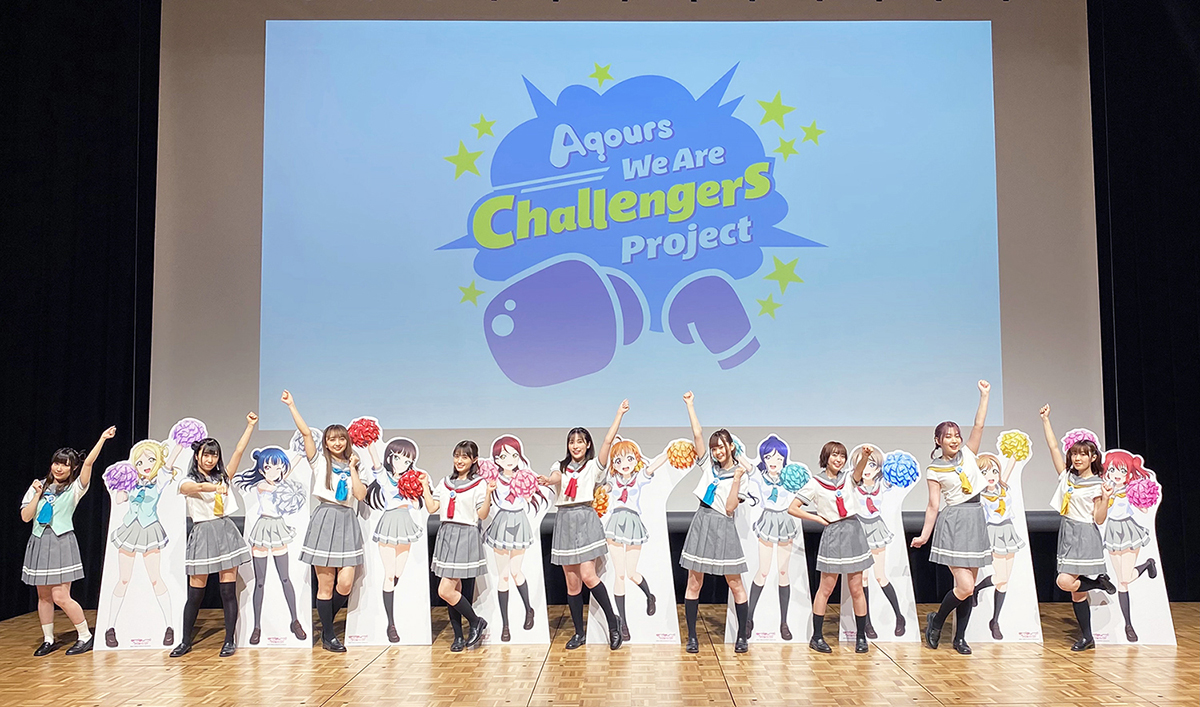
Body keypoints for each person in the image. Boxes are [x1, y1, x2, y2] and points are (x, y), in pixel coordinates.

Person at [536, 402, 628, 650]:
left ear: (587, 444)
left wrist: (619, 414)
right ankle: (579, 633)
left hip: (586, 519)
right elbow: (556, 477)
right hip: (565, 520)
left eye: (580, 441)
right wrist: (548, 480)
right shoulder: (560, 466)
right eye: (571, 442)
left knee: (588, 576)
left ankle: (613, 623)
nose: (575, 445)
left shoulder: (594, 466)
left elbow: (607, 442)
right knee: (572, 583)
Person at [911, 381, 992, 655]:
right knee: (965, 586)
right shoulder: (934, 469)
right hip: (954, 523)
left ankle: (959, 638)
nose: (955, 440)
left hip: (975, 519)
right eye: (948, 436)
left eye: (957, 435)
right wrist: (924, 535)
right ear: (938, 441)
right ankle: (937, 621)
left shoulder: (968, 454)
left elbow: (979, 425)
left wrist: (984, 395)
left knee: (969, 588)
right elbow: (933, 505)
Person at [284, 390, 367, 652]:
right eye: (332, 439)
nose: (337, 442)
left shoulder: (356, 464)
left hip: (347, 521)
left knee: (346, 583)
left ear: (347, 441)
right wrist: (292, 405)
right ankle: (329, 636)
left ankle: (326, 625)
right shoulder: (319, 462)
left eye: (341, 438)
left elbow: (360, 494)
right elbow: (306, 434)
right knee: (326, 584)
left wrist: (352, 468)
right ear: (326, 443)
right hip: (325, 519)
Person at [21, 426, 116, 656]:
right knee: (43, 596)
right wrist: (37, 494)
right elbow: (25, 517)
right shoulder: (38, 485)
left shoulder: (75, 489)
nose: (59, 467)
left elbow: (89, 464)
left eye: (64, 464)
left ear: (72, 467)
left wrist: (102, 439)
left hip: (62, 541)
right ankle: (48, 639)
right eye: (56, 463)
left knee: (60, 596)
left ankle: (85, 635)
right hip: (39, 542)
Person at [171, 414, 256, 657]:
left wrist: (250, 426)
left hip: (225, 532)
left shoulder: (223, 477)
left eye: (214, 455)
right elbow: (194, 488)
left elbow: (239, 451)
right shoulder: (186, 480)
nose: (210, 459)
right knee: (195, 594)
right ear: (197, 456)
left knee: (228, 591)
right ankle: (185, 641)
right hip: (203, 533)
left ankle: (229, 641)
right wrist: (214, 487)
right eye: (206, 455)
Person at [678, 392, 752, 654]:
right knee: (694, 583)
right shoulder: (708, 466)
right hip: (702, 521)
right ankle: (692, 637)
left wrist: (736, 479)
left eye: (721, 447)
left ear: (731, 446)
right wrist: (690, 405)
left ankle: (742, 637)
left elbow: (730, 507)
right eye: (714, 448)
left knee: (735, 583)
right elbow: (697, 434)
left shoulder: (742, 475)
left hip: (723, 524)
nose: (717, 451)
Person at [1040, 406, 1117, 650]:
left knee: (1064, 581)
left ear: (1093, 457)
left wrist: (1105, 498)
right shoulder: (1067, 477)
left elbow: (1099, 519)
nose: (1077, 458)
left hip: (1085, 535)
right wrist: (1045, 420)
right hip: (1067, 533)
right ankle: (1087, 637)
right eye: (1074, 454)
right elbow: (1053, 447)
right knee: (1077, 593)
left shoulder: (1098, 484)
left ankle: (1098, 583)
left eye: (1083, 454)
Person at [788, 441, 874, 654]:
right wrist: (818, 519)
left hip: (853, 530)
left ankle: (860, 637)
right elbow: (793, 508)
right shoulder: (815, 482)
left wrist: (864, 456)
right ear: (825, 457)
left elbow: (859, 471)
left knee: (857, 588)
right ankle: (817, 636)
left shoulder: (848, 478)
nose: (839, 459)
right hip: (833, 534)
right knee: (826, 589)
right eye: (835, 455)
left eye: (842, 456)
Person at [425, 441, 491, 651]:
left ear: (474, 460)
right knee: (454, 590)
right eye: (456, 456)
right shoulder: (445, 482)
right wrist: (425, 487)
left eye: (465, 456)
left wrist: (489, 494)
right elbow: (432, 507)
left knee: (445, 590)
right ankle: (458, 637)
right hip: (446, 533)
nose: (459, 460)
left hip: (465, 535)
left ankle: (475, 621)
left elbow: (482, 514)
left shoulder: (479, 484)